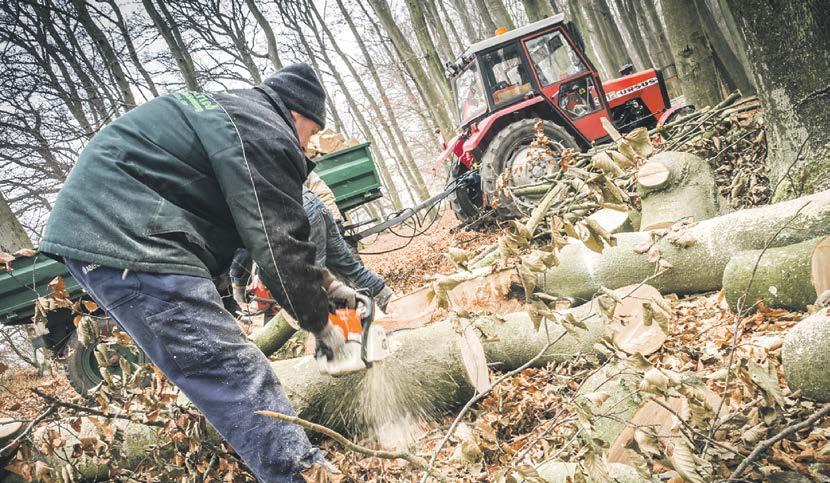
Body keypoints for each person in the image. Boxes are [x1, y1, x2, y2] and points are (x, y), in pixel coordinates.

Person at [40, 64, 351, 481]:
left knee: (223, 364)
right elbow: (280, 242)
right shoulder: (266, 129)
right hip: (130, 236)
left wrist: (322, 287)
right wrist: (328, 327)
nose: (307, 146)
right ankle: (302, 476)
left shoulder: (238, 115)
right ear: (297, 113)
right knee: (232, 371)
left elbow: (248, 232)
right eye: (311, 134)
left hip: (122, 230)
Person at [230, 188, 394, 312]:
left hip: (296, 211)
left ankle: (349, 332)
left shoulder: (236, 203)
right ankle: (391, 303)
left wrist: (238, 287)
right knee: (348, 266)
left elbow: (242, 255)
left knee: (315, 284)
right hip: (312, 201)